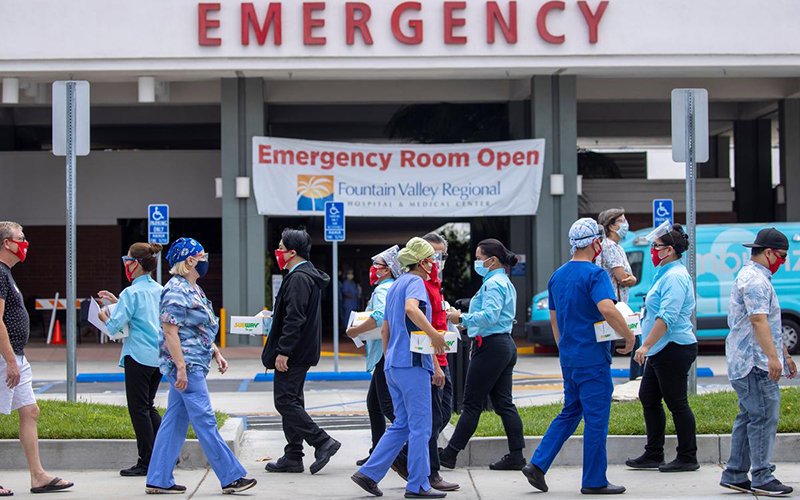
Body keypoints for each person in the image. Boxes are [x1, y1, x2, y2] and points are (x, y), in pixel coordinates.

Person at [522, 218, 634, 495]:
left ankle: (537, 464)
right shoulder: (596, 275)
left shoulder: (557, 276)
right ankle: (594, 480)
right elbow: (607, 309)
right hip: (593, 358)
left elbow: (554, 319)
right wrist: (629, 336)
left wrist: (563, 348)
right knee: (596, 420)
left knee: (570, 411)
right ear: (595, 243)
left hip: (570, 356)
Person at [146, 237, 256, 495]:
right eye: (202, 256)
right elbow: (170, 331)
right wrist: (181, 367)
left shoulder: (192, 288)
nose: (206, 260)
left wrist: (216, 352)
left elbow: (198, 328)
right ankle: (231, 477)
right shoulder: (176, 290)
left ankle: (158, 479)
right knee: (205, 420)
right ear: (190, 261)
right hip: (187, 366)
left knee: (174, 422)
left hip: (193, 362)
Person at [351, 237, 449, 499]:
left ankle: (369, 473)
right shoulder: (416, 282)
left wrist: (388, 360)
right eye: (431, 259)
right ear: (422, 262)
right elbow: (411, 310)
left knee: (402, 424)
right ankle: (418, 484)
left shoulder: (395, 285)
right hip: (412, 364)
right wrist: (435, 336)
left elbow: (385, 329)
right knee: (420, 427)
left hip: (393, 364)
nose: (434, 264)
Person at [720, 228, 797, 496]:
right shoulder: (755, 281)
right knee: (764, 416)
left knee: (749, 416)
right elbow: (758, 321)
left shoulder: (754, 276)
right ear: (769, 253)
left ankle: (735, 473)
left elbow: (770, 324)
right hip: (754, 362)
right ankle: (762, 476)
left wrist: (784, 355)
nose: (784, 261)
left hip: (748, 360)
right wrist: (773, 359)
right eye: (782, 256)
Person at [0, 221, 74, 495]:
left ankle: (38, 476)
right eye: (20, 238)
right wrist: (10, 360)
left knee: (30, 411)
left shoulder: (6, 273)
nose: (25, 243)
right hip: (6, 356)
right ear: (6, 243)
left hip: (16, 355)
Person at [440, 239, 526, 472]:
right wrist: (465, 323)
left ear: (492, 260)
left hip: (490, 347)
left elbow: (489, 316)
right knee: (504, 404)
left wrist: (461, 317)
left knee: (471, 404)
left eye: (479, 258)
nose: (477, 262)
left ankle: (450, 454)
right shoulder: (503, 281)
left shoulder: (493, 284)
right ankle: (517, 455)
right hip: (503, 345)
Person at [263, 229, 340, 475]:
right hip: (301, 349)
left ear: (292, 252)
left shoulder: (298, 278)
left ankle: (322, 441)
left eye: (280, 247)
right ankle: (293, 455)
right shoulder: (305, 275)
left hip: (294, 352)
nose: (277, 252)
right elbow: (293, 314)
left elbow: (295, 318)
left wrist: (284, 351)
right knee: (292, 400)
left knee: (284, 401)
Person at [627, 224, 699, 472]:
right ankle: (654, 453)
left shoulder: (675, 277)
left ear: (669, 250)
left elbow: (667, 316)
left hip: (673, 347)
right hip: (661, 349)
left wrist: (645, 346)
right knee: (648, 397)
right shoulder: (665, 273)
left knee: (677, 403)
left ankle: (688, 457)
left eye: (656, 246)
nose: (653, 250)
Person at [97, 242, 164, 477]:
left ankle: (146, 461)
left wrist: (104, 316)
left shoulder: (131, 293)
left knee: (139, 410)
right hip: (158, 357)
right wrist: (117, 301)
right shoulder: (160, 289)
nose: (125, 264)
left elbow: (114, 327)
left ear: (134, 264)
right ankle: (166, 454)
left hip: (138, 356)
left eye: (127, 260)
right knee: (149, 406)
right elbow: (143, 313)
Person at [347, 245, 402, 464]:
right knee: (375, 404)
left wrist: (355, 331)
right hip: (389, 351)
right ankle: (377, 453)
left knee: (386, 405)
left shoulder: (382, 290)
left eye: (376, 265)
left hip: (383, 353)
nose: (372, 268)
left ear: (386, 269)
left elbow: (379, 316)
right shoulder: (396, 287)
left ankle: (406, 449)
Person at [597, 208, 641, 380]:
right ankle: (635, 380)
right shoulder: (609, 247)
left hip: (618, 304)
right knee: (633, 340)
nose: (626, 224)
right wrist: (632, 279)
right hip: (614, 305)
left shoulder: (616, 247)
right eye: (622, 221)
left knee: (613, 345)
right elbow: (623, 278)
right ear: (611, 226)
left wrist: (630, 278)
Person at [342, 266, 361, 332]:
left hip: (354, 303)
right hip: (348, 303)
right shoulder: (346, 283)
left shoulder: (353, 283)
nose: (351, 275)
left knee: (353, 318)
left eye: (351, 273)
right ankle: (346, 331)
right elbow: (345, 292)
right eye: (349, 273)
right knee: (347, 317)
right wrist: (352, 297)